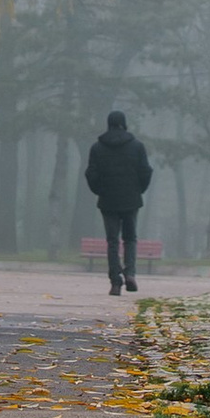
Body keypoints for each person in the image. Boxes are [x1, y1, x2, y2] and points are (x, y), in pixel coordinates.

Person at [83, 107, 153, 294]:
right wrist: (138, 190)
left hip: (108, 201)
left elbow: (91, 174)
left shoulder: (97, 148)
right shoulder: (137, 146)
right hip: (131, 200)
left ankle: (115, 280)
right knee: (130, 239)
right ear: (124, 124)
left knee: (112, 241)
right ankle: (130, 273)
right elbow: (145, 171)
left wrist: (100, 191)